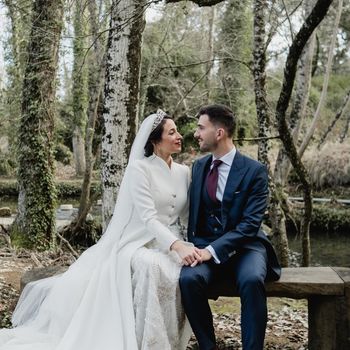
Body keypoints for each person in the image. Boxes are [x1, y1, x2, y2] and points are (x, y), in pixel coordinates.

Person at [0, 110, 199, 350]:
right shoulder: (139, 169)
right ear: (155, 141)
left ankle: (175, 339)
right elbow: (148, 218)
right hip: (137, 243)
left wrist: (191, 243)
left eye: (177, 131)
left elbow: (186, 215)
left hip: (171, 240)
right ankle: (151, 343)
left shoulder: (183, 172)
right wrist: (175, 245)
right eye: (172, 132)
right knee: (153, 267)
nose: (179, 136)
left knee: (186, 268)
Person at [179, 104, 281, 350]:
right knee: (188, 280)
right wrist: (189, 246)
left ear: (220, 132)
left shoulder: (254, 171)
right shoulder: (200, 166)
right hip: (205, 245)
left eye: (201, 128)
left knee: (252, 280)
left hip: (247, 247)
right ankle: (207, 345)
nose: (196, 133)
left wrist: (211, 251)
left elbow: (249, 225)